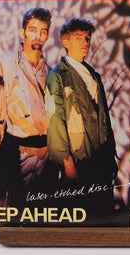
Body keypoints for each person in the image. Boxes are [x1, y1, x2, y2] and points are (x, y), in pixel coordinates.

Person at [0, 7, 53, 206]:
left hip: (46, 154)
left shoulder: (51, 73)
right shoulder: (6, 64)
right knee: (9, 210)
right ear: (23, 32)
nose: (38, 36)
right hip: (17, 151)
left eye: (43, 31)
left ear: (47, 35)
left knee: (38, 212)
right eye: (33, 30)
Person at [46, 18, 118, 215]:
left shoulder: (93, 75)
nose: (85, 42)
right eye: (79, 37)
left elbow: (105, 119)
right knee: (79, 211)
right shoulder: (57, 76)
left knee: (102, 212)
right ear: (66, 41)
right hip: (78, 157)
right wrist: (66, 161)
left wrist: (111, 155)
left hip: (101, 156)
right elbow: (55, 122)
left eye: (87, 37)